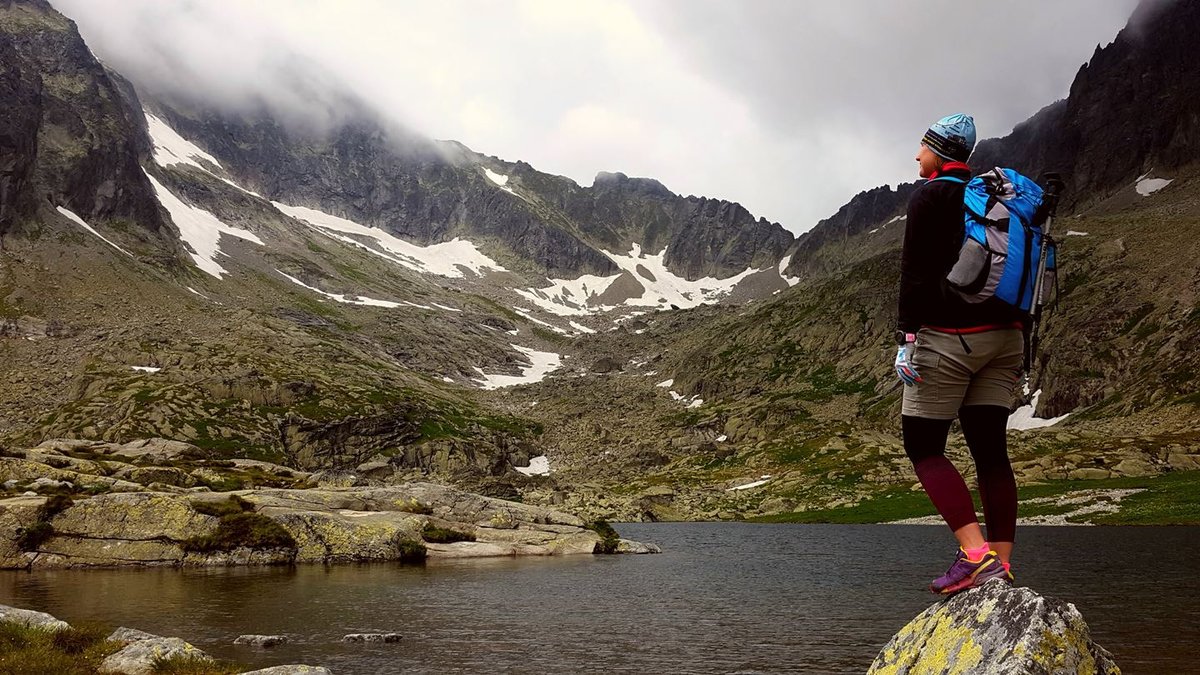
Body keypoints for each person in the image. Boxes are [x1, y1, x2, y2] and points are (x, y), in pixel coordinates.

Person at [894, 113, 1026, 595]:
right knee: (991, 451)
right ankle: (1002, 564)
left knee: (923, 446)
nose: (916, 155)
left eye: (923, 147)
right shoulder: (999, 200)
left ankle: (975, 555)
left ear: (940, 152)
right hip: (1007, 338)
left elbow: (915, 274)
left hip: (952, 337)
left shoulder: (930, 196)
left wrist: (907, 338)